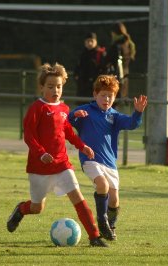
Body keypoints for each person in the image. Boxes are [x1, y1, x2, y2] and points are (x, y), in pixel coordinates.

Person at [6, 63, 108, 247]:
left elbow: (68, 132)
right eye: (51, 86)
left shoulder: (64, 109)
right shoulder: (37, 108)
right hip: (39, 169)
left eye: (59, 86)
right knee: (37, 208)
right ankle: (21, 209)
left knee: (78, 197)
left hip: (62, 165)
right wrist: (41, 153)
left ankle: (94, 237)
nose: (55, 90)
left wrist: (82, 146)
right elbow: (29, 136)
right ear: (42, 87)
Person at [68, 75, 147, 241]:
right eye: (103, 95)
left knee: (114, 199)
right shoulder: (86, 111)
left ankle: (111, 225)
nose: (107, 99)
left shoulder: (114, 116)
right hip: (90, 160)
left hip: (110, 163)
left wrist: (138, 112)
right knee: (101, 184)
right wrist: (74, 114)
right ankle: (101, 220)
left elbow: (132, 123)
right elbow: (68, 121)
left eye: (110, 96)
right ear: (95, 94)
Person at [106, 22, 136, 101]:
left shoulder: (116, 45)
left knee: (113, 101)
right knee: (122, 100)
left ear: (114, 33)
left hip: (115, 76)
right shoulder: (129, 44)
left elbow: (107, 60)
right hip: (125, 75)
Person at [73, 32, 106, 104]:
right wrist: (76, 76)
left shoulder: (100, 53)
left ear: (96, 42)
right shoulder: (82, 53)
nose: (90, 43)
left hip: (95, 86)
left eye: (92, 41)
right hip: (82, 86)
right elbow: (78, 67)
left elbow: (103, 69)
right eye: (88, 41)